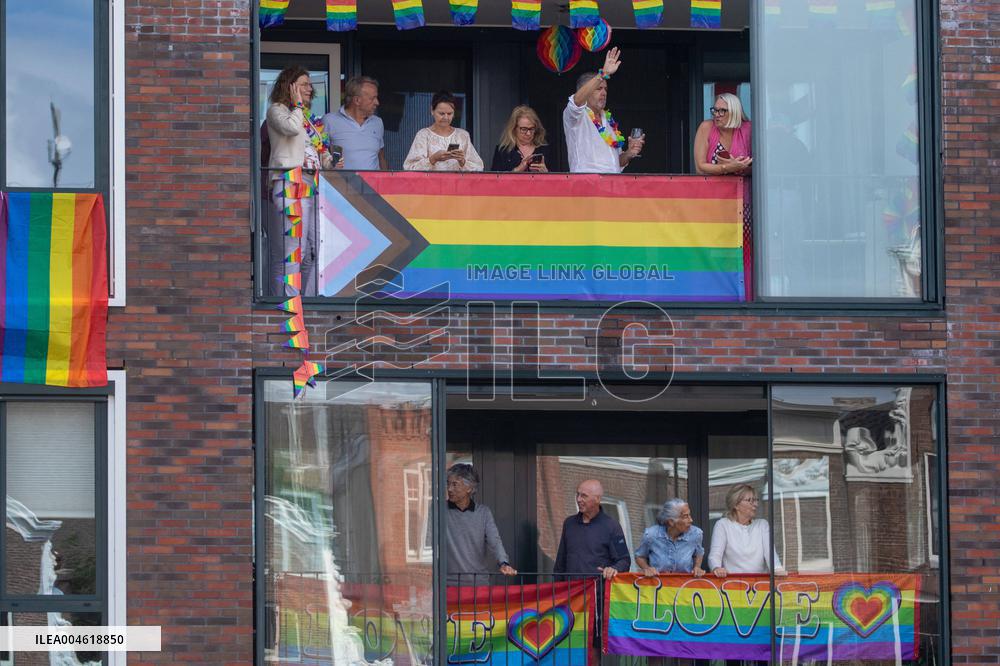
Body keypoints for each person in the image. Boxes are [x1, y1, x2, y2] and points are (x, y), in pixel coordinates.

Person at [265, 65, 341, 297]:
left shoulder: (311, 119)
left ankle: (305, 302)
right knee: (292, 250)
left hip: (313, 185)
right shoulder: (277, 110)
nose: (310, 88)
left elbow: (320, 153)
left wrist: (331, 161)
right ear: (290, 86)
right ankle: (286, 304)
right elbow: (289, 128)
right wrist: (297, 106)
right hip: (290, 182)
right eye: (304, 84)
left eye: (310, 84)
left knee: (311, 251)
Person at [563, 47, 644, 174]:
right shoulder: (576, 115)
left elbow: (616, 164)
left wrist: (629, 153)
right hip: (587, 185)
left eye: (605, 89)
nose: (604, 93)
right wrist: (603, 74)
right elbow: (576, 101)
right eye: (598, 89)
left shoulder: (609, 120)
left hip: (612, 186)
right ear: (587, 90)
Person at [446, 464, 517, 581]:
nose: (449, 489)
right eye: (448, 483)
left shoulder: (483, 513)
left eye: (455, 484)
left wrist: (503, 563)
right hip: (448, 586)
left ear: (469, 488)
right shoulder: (439, 510)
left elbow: (495, 541)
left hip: (478, 585)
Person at [554, 479, 630, 579]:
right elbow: (560, 563)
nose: (578, 499)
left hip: (597, 592)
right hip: (571, 591)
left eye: (584, 496)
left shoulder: (612, 526)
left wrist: (613, 569)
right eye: (578, 494)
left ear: (597, 499)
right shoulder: (569, 523)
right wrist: (557, 591)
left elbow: (624, 560)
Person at [708, 484, 783, 577]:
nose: (755, 504)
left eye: (755, 500)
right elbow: (715, 556)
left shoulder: (762, 525)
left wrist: (778, 570)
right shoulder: (723, 525)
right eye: (750, 500)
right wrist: (716, 568)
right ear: (736, 505)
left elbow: (771, 556)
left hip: (759, 587)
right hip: (731, 586)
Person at [403, 91, 484, 172]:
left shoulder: (462, 135)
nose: (446, 117)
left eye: (449, 113)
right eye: (441, 113)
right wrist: (433, 159)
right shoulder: (423, 135)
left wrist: (462, 161)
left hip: (457, 184)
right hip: (430, 184)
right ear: (432, 110)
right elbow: (409, 167)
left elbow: (479, 168)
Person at [322, 75, 387, 171]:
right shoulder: (329, 121)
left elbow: (381, 157)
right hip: (342, 185)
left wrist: (386, 183)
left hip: (372, 185)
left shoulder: (378, 122)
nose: (377, 102)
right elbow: (320, 157)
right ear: (357, 100)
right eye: (372, 98)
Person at [635, 498, 705, 577]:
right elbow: (640, 556)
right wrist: (647, 568)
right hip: (658, 585)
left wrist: (697, 567)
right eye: (685, 516)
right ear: (671, 522)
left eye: (690, 515)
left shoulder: (696, 534)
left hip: (684, 586)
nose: (691, 520)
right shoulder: (651, 535)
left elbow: (698, 553)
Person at [694, 92, 752, 176]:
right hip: (712, 187)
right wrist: (727, 167)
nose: (716, 115)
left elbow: (759, 166)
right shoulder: (706, 127)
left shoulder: (748, 129)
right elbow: (700, 168)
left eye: (722, 111)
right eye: (715, 110)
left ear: (734, 112)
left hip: (740, 187)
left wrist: (739, 168)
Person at [490, 105, 550, 172]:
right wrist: (517, 170)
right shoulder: (503, 151)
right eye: (524, 129)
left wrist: (546, 173)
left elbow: (558, 179)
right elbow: (495, 180)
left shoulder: (545, 150)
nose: (528, 133)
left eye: (532, 129)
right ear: (514, 129)